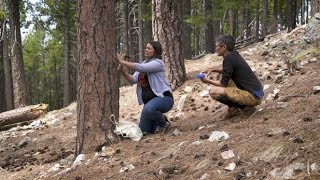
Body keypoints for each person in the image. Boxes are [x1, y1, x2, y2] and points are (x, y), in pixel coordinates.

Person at [199, 35, 264, 118]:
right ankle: (233, 110)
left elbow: (223, 84)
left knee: (213, 91)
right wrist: (213, 70)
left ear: (224, 47)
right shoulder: (233, 54)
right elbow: (229, 71)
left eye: (217, 46)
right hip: (256, 94)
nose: (215, 49)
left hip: (252, 97)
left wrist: (207, 81)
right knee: (221, 77)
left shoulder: (228, 59)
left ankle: (246, 108)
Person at [116, 41, 174, 134]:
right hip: (149, 104)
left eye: (149, 48)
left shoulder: (158, 63)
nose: (146, 50)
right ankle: (156, 121)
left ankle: (164, 123)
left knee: (149, 109)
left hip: (164, 98)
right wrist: (123, 72)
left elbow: (140, 68)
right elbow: (133, 80)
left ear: (156, 51)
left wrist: (122, 61)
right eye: (146, 48)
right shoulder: (144, 63)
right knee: (143, 131)